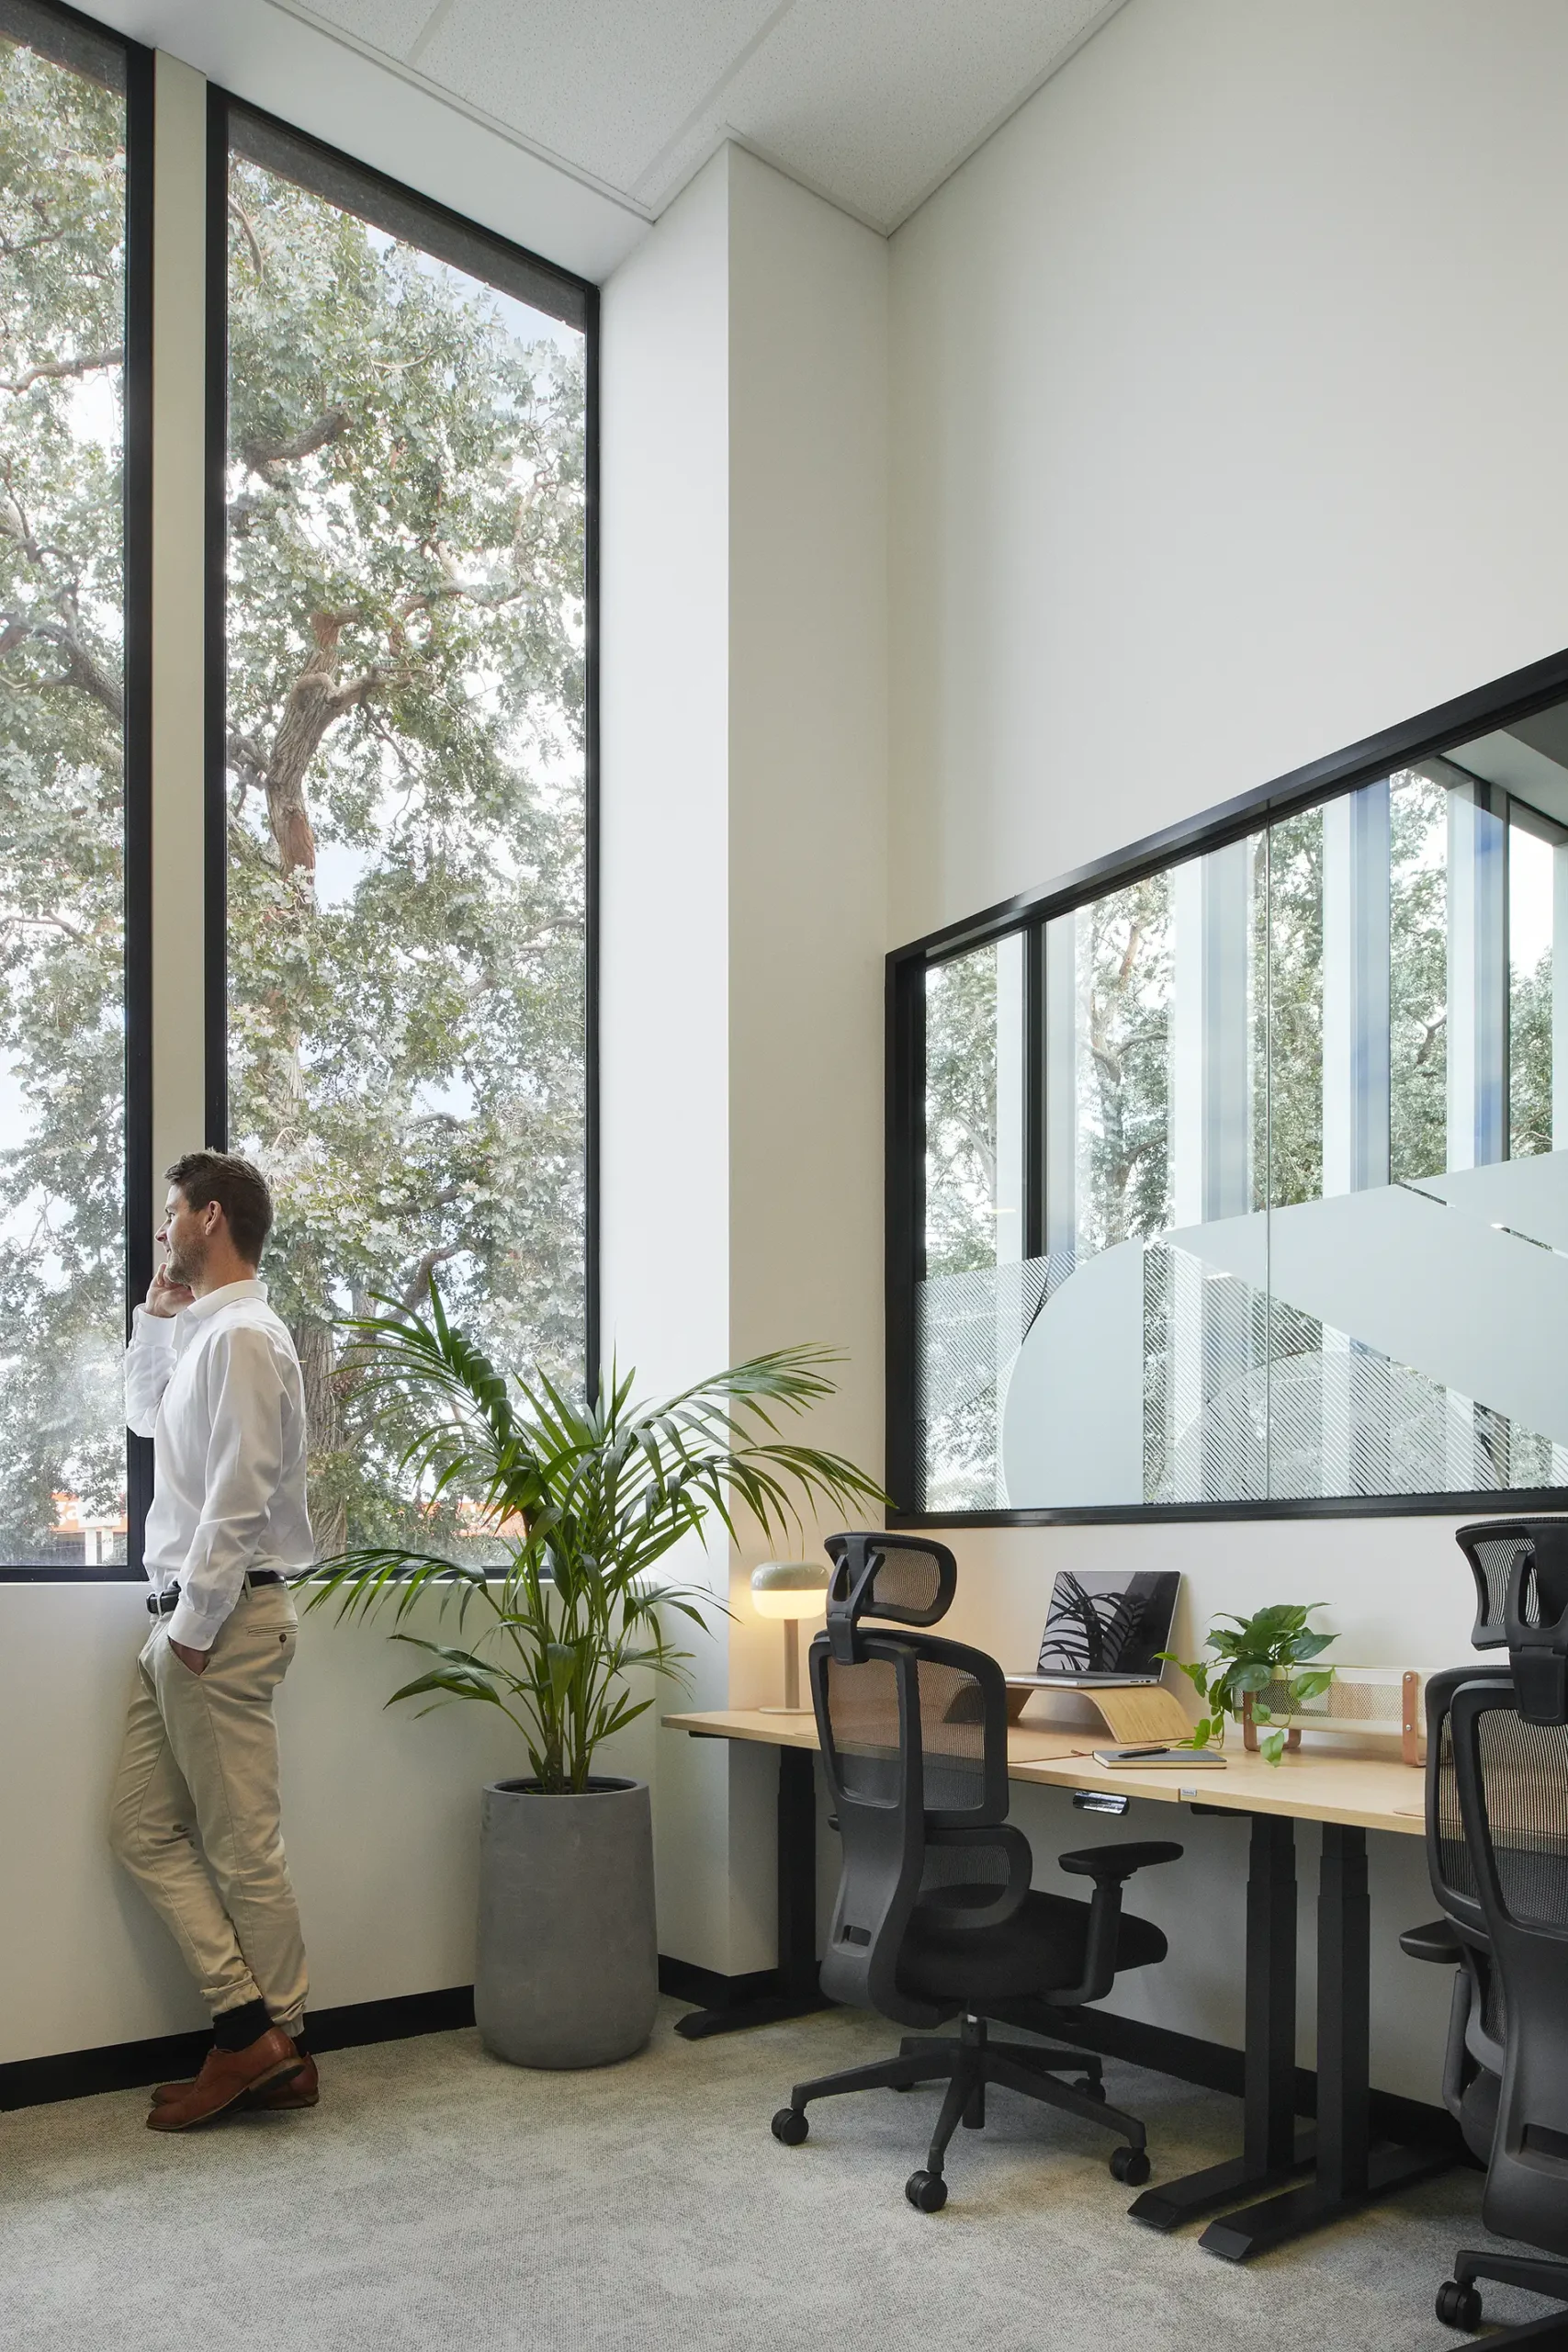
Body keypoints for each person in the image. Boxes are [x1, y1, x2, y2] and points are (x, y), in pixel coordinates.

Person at [109, 1150, 318, 2131]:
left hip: (216, 1623)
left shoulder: (244, 1337)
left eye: (173, 1213)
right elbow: (144, 1419)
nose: (164, 1229)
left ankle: (282, 2048)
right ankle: (251, 2030)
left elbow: (241, 1493)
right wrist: (155, 1322)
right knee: (140, 1826)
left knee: (244, 1852)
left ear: (214, 1218)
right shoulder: (202, 1336)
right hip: (184, 1620)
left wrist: (193, 1629)